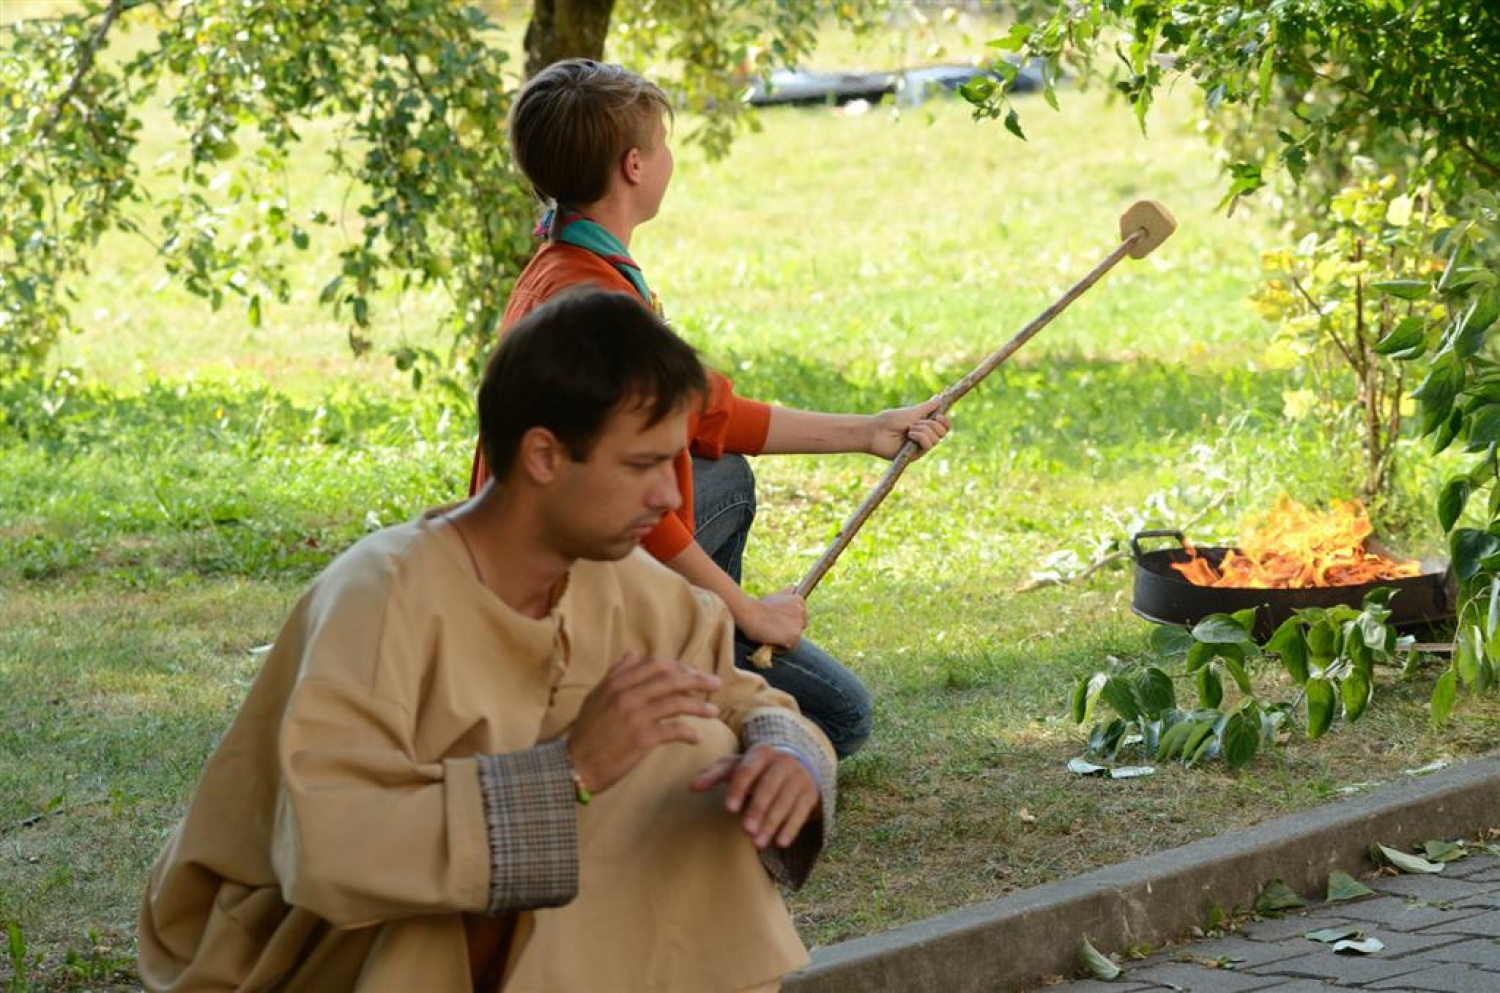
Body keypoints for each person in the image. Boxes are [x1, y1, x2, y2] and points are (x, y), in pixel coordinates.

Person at [138, 289, 837, 993]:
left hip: (472, 928)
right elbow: (330, 847)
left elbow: (742, 698)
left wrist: (785, 754)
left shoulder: (630, 582)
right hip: (315, 944)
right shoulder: (382, 598)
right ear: (543, 455)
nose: (668, 495)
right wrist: (571, 771)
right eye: (642, 465)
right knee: (538, 835)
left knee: (699, 751)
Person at [469, 58, 951, 760]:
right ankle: (663, 703)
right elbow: (634, 514)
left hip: (578, 563)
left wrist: (872, 431)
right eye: (662, 144)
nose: (668, 157)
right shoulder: (591, 308)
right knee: (842, 717)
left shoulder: (569, 263)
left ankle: (686, 641)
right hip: (561, 604)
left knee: (722, 474)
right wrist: (749, 610)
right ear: (635, 166)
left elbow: (708, 414)